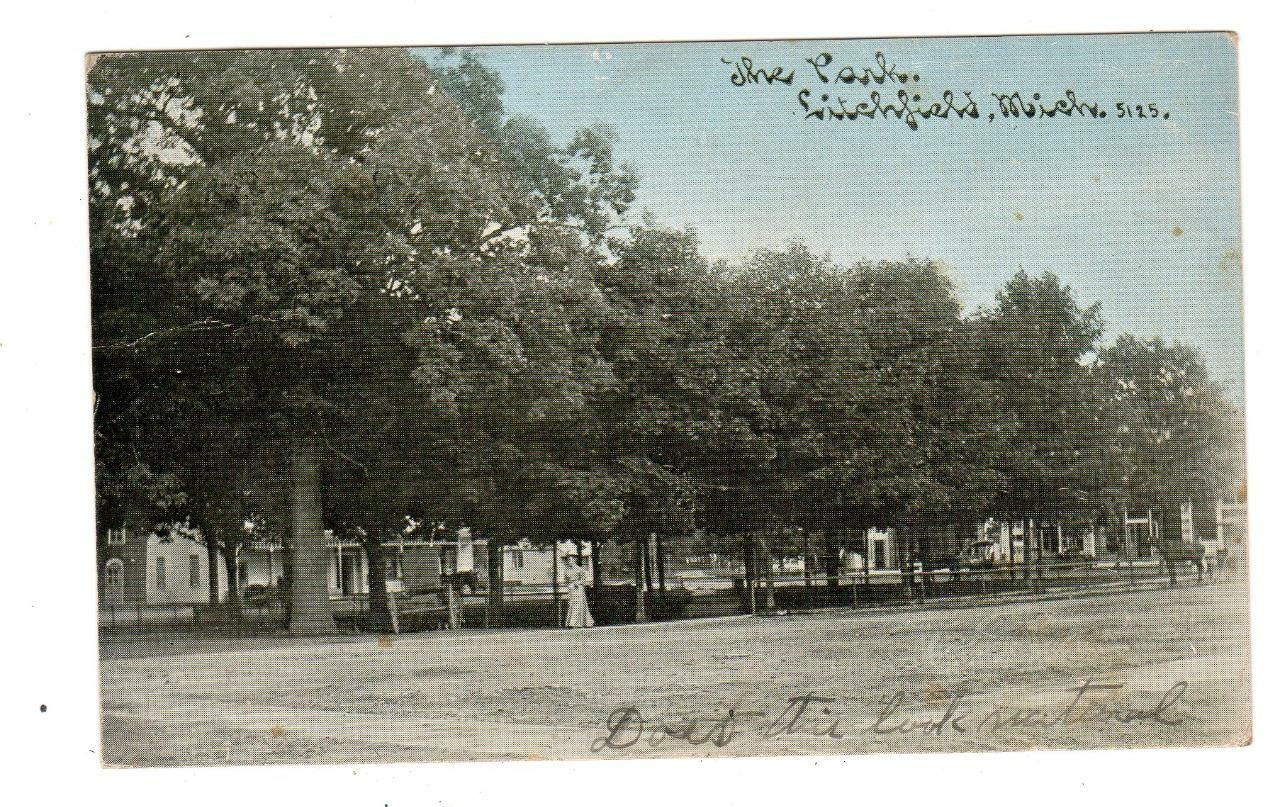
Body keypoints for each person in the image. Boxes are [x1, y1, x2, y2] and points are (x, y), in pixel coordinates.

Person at [563, 556, 594, 628]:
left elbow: (584, 579)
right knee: (572, 604)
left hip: (578, 588)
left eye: (571, 560)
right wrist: (569, 585)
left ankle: (573, 623)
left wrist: (578, 583)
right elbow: (565, 580)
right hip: (571, 589)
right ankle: (577, 623)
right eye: (568, 560)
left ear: (574, 560)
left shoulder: (579, 569)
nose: (569, 561)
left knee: (579, 604)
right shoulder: (566, 570)